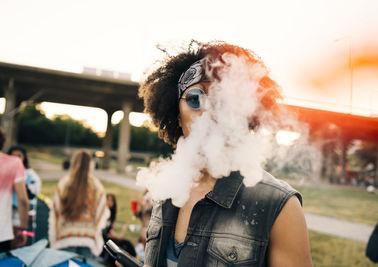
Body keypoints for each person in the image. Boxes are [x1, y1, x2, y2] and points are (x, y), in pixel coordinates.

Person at [116, 41, 313, 267]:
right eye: (195, 99)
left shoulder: (278, 206)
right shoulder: (166, 192)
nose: (209, 111)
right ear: (178, 118)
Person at [49, 149, 109, 259]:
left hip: (65, 237)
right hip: (88, 239)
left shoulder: (64, 183)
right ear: (91, 164)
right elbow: (102, 213)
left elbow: (56, 211)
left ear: (74, 162)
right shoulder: (96, 186)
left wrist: (54, 237)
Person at [0, 128, 29, 253]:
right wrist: (23, 230)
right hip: (2, 232)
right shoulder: (14, 163)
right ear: (3, 142)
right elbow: (23, 200)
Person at [8, 145, 42, 246]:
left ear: (24, 158)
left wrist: (22, 186)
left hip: (19, 212)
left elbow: (33, 192)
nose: (16, 159)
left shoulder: (30, 174)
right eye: (13, 156)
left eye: (19, 156)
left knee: (16, 242)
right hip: (5, 211)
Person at [102, 193, 137, 265]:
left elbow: (110, 230)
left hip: (109, 237)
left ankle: (134, 260)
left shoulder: (111, 215)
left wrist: (116, 235)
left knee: (127, 243)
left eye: (111, 201)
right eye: (107, 200)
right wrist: (116, 236)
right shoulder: (103, 213)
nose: (109, 202)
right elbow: (104, 232)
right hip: (104, 239)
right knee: (121, 245)